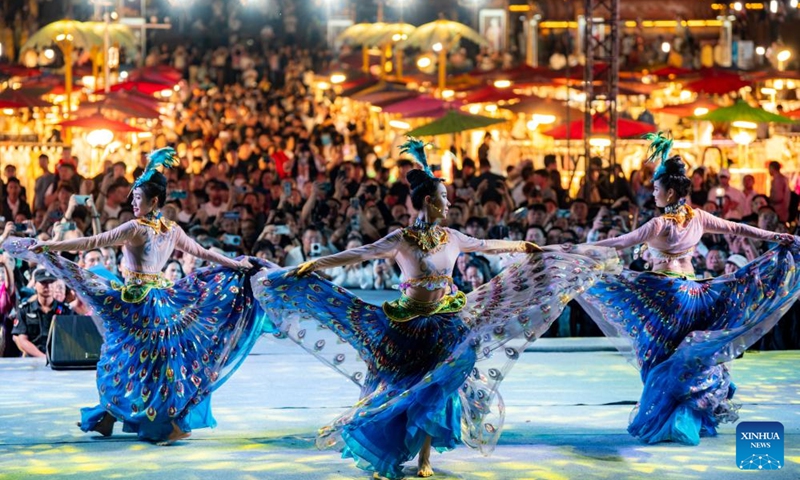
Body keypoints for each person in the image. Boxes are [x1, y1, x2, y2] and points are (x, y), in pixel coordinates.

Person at [251, 138, 618, 480]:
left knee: (438, 388)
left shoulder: (453, 237)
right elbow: (358, 253)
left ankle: (426, 458)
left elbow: (487, 244)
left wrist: (522, 245)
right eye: (444, 196)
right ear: (428, 201)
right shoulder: (401, 239)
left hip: (446, 323)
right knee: (403, 390)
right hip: (406, 325)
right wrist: (314, 265)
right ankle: (388, 447)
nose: (449, 202)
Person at [4, 147, 269, 445]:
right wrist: (237, 264)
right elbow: (205, 253)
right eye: (133, 196)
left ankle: (151, 421)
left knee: (125, 362)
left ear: (154, 201)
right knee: (148, 364)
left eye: (138, 198)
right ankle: (110, 416)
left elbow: (93, 241)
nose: (132, 201)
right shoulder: (171, 229)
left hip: (135, 305)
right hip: (161, 303)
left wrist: (51, 246)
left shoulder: (137, 228)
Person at [575, 133, 800, 446]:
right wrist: (777, 237)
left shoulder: (659, 224)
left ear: (668, 191)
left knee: (660, 358)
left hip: (665, 295)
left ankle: (674, 418)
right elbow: (738, 228)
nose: (652, 193)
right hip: (696, 293)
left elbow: (619, 242)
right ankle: (686, 416)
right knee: (693, 357)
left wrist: (579, 248)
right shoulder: (699, 217)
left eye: (655, 188)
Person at [11, 269, 73, 357]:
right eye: (43, 282)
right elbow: (22, 339)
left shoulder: (66, 310)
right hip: (33, 358)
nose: (47, 286)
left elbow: (71, 337)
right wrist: (42, 357)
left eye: (51, 282)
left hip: (60, 357)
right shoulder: (25, 309)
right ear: (35, 285)